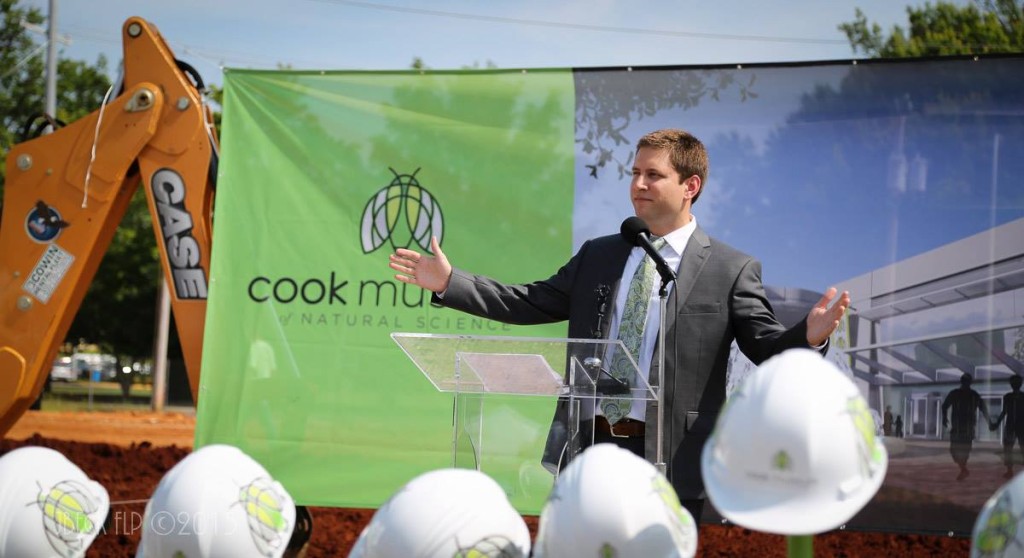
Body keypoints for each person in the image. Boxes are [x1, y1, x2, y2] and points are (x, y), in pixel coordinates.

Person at [388, 128, 849, 522]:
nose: (639, 184)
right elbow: (529, 301)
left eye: (653, 175)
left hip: (671, 455)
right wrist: (451, 283)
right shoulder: (601, 253)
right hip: (590, 445)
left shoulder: (730, 268)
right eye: (635, 173)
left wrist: (810, 336)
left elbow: (763, 346)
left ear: (691, 185)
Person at [942, 373, 993, 481]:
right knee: (954, 450)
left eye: (967, 381)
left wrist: (990, 422)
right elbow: (945, 406)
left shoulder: (973, 395)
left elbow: (983, 409)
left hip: (967, 428)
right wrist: (943, 417)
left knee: (964, 450)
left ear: (969, 382)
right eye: (964, 380)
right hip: (957, 428)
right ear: (962, 381)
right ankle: (963, 469)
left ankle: (963, 469)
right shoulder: (955, 393)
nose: (965, 383)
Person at [991, 375, 1024, 479]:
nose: (1015, 384)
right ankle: (1009, 470)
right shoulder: (1007, 397)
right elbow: (1004, 411)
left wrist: (997, 423)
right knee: (1008, 448)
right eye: (1013, 382)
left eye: (1017, 382)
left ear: (1020, 384)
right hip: (1010, 425)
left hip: (1022, 426)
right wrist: (997, 423)